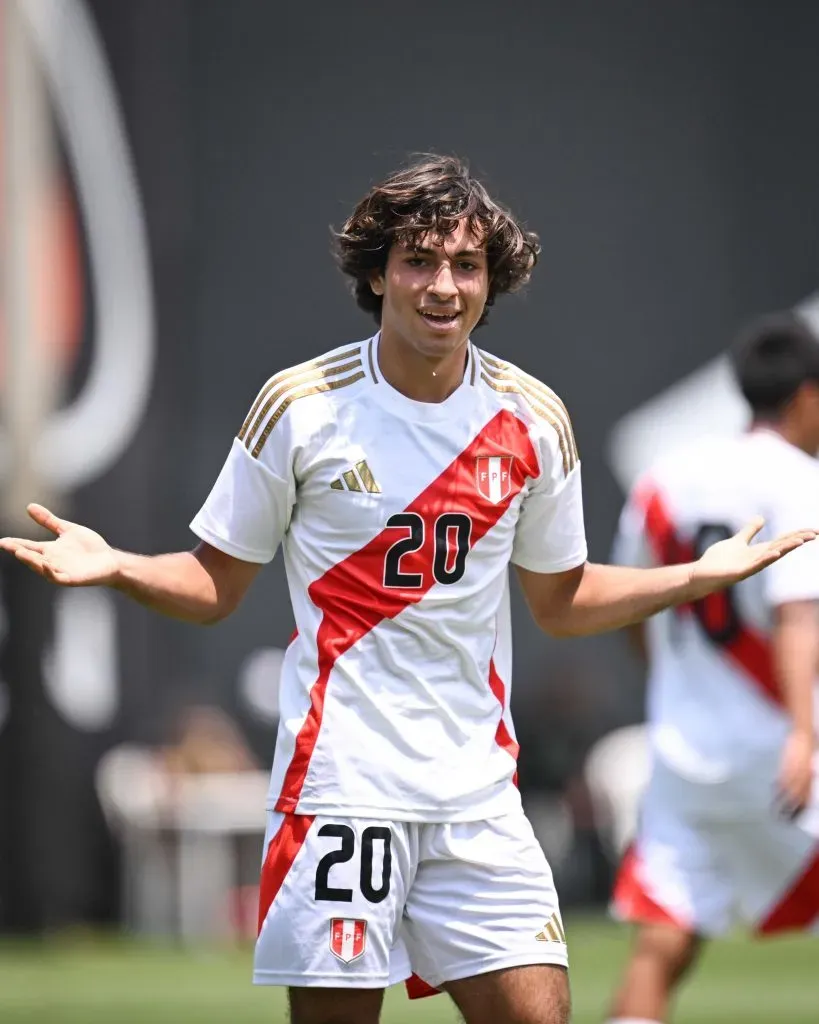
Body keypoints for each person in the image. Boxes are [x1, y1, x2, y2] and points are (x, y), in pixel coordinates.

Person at [1, 157, 814, 1024]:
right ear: (376, 272)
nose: (442, 286)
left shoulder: (533, 418)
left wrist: (691, 577)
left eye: (465, 265)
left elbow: (561, 601)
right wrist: (119, 563)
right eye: (419, 261)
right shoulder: (301, 407)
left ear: (491, 278)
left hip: (475, 794)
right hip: (342, 789)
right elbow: (212, 583)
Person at [605, 314, 819, 1024]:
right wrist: (800, 733)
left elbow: (630, 604)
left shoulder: (665, 478)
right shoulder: (799, 481)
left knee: (662, 939)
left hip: (684, 752)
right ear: (806, 396)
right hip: (787, 751)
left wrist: (671, 685)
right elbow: (798, 614)